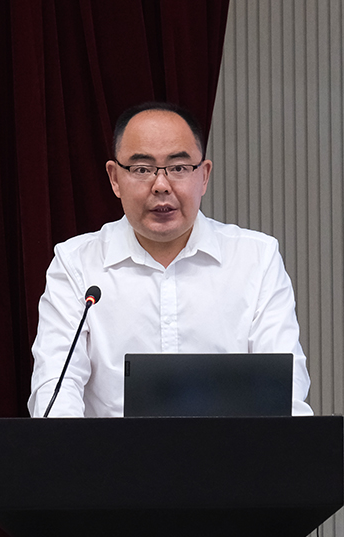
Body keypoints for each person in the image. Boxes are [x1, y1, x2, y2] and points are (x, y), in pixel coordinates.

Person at [28, 101, 312, 417]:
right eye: (142, 169)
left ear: (204, 176)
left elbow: (283, 391)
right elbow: (56, 388)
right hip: (110, 450)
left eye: (178, 168)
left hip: (230, 448)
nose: (161, 186)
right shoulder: (76, 265)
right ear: (114, 178)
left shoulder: (255, 259)